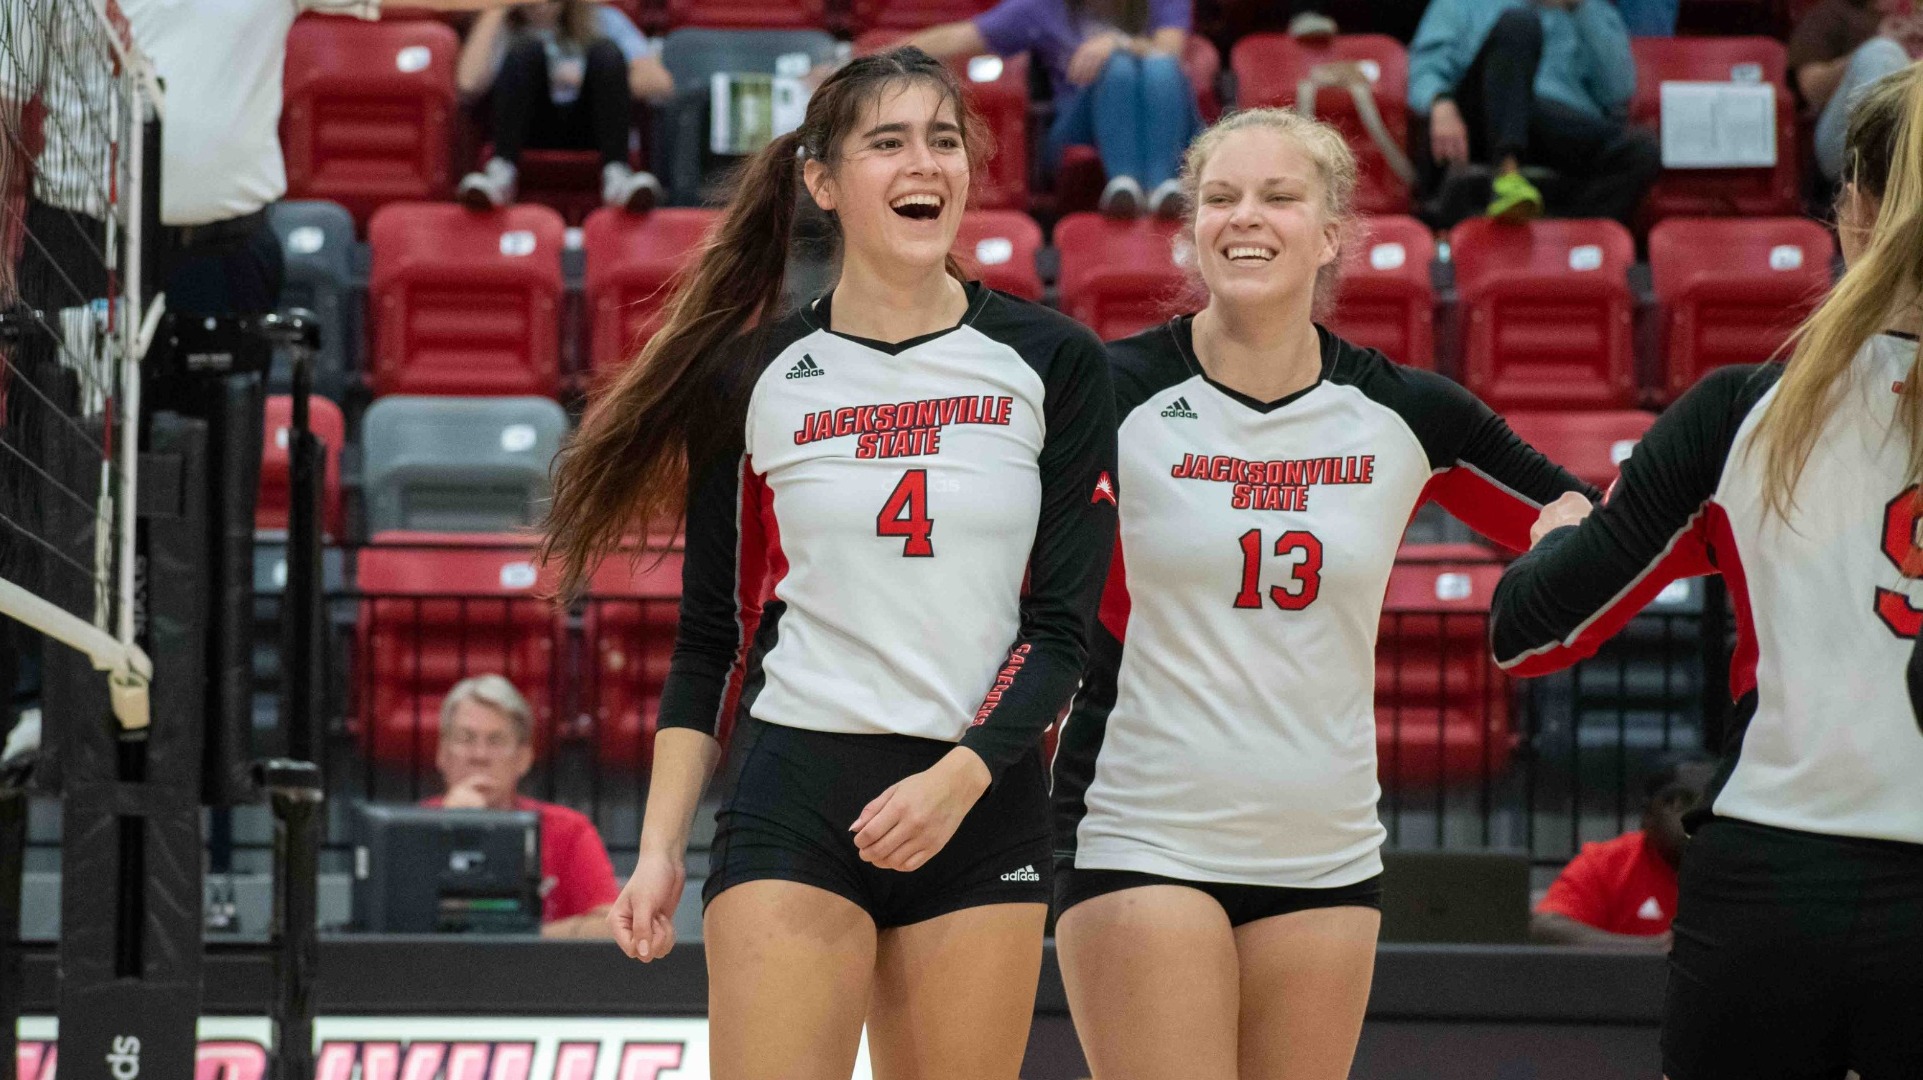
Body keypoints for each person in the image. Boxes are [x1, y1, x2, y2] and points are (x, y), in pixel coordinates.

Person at [540, 47, 1115, 1080]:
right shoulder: (755, 374)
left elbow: (1062, 630)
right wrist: (660, 848)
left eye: (944, 141)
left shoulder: (1053, 360)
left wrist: (958, 779)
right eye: (888, 142)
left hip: (979, 799)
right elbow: (711, 637)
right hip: (797, 790)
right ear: (821, 181)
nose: (924, 164)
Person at [1049, 107, 1595, 1080]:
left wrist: (1558, 544)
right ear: (1191, 226)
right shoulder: (1109, 392)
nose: (1244, 217)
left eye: (1278, 196)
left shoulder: (1405, 411)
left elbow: (1578, 517)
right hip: (1140, 828)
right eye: (1220, 197)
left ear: (1332, 233)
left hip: (1325, 847)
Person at [1491, 63, 1923, 1080]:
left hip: (1772, 879)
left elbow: (1532, 635)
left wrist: (1557, 531)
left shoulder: (1745, 413)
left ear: (1853, 213)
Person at [906, 0, 1202, 218]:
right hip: (1080, 122)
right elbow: (960, 38)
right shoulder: (1041, 6)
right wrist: (885, 57)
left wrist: (1117, 43)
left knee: (1160, 68)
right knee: (1118, 69)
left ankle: (1162, 186)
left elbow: (1169, 49)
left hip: (1164, 110)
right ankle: (1123, 183)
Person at [1408, 0, 1660, 225]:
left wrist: (1580, 9)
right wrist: (1440, 102)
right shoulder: (1460, 3)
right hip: (1482, 123)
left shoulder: (1591, 9)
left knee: (1643, 149)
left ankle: (1565, 234)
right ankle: (1507, 175)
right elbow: (1424, 69)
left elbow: (1618, 91)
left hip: (1556, 124)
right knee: (1519, 24)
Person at [422, 675, 620, 939]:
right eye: (466, 739)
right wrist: (448, 829)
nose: (480, 755)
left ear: (523, 758)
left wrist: (520, 940)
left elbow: (612, 927)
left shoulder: (568, 831)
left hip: (535, 965)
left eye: (496, 741)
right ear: (442, 753)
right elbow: (390, 927)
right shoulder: (412, 828)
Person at [455, 1, 671, 212]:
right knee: (525, 49)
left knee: (605, 51)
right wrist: (497, 8)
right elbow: (467, 84)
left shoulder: (604, 19)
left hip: (591, 129)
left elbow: (660, 84)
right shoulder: (499, 25)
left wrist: (581, 77)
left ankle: (617, 177)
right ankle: (501, 174)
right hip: (529, 131)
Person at [1531, 761, 1712, 949]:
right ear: (1647, 816)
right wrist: (1650, 948)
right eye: (1675, 803)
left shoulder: (1730, 867)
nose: (1690, 814)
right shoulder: (1609, 863)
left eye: (1705, 802)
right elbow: (1544, 927)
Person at [1789, 0, 1923, 182]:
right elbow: (1811, 90)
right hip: (1845, 144)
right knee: (1881, 53)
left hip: (1914, 132)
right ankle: (1886, 181)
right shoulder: (1834, 13)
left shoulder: (1916, 12)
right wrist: (1876, 45)